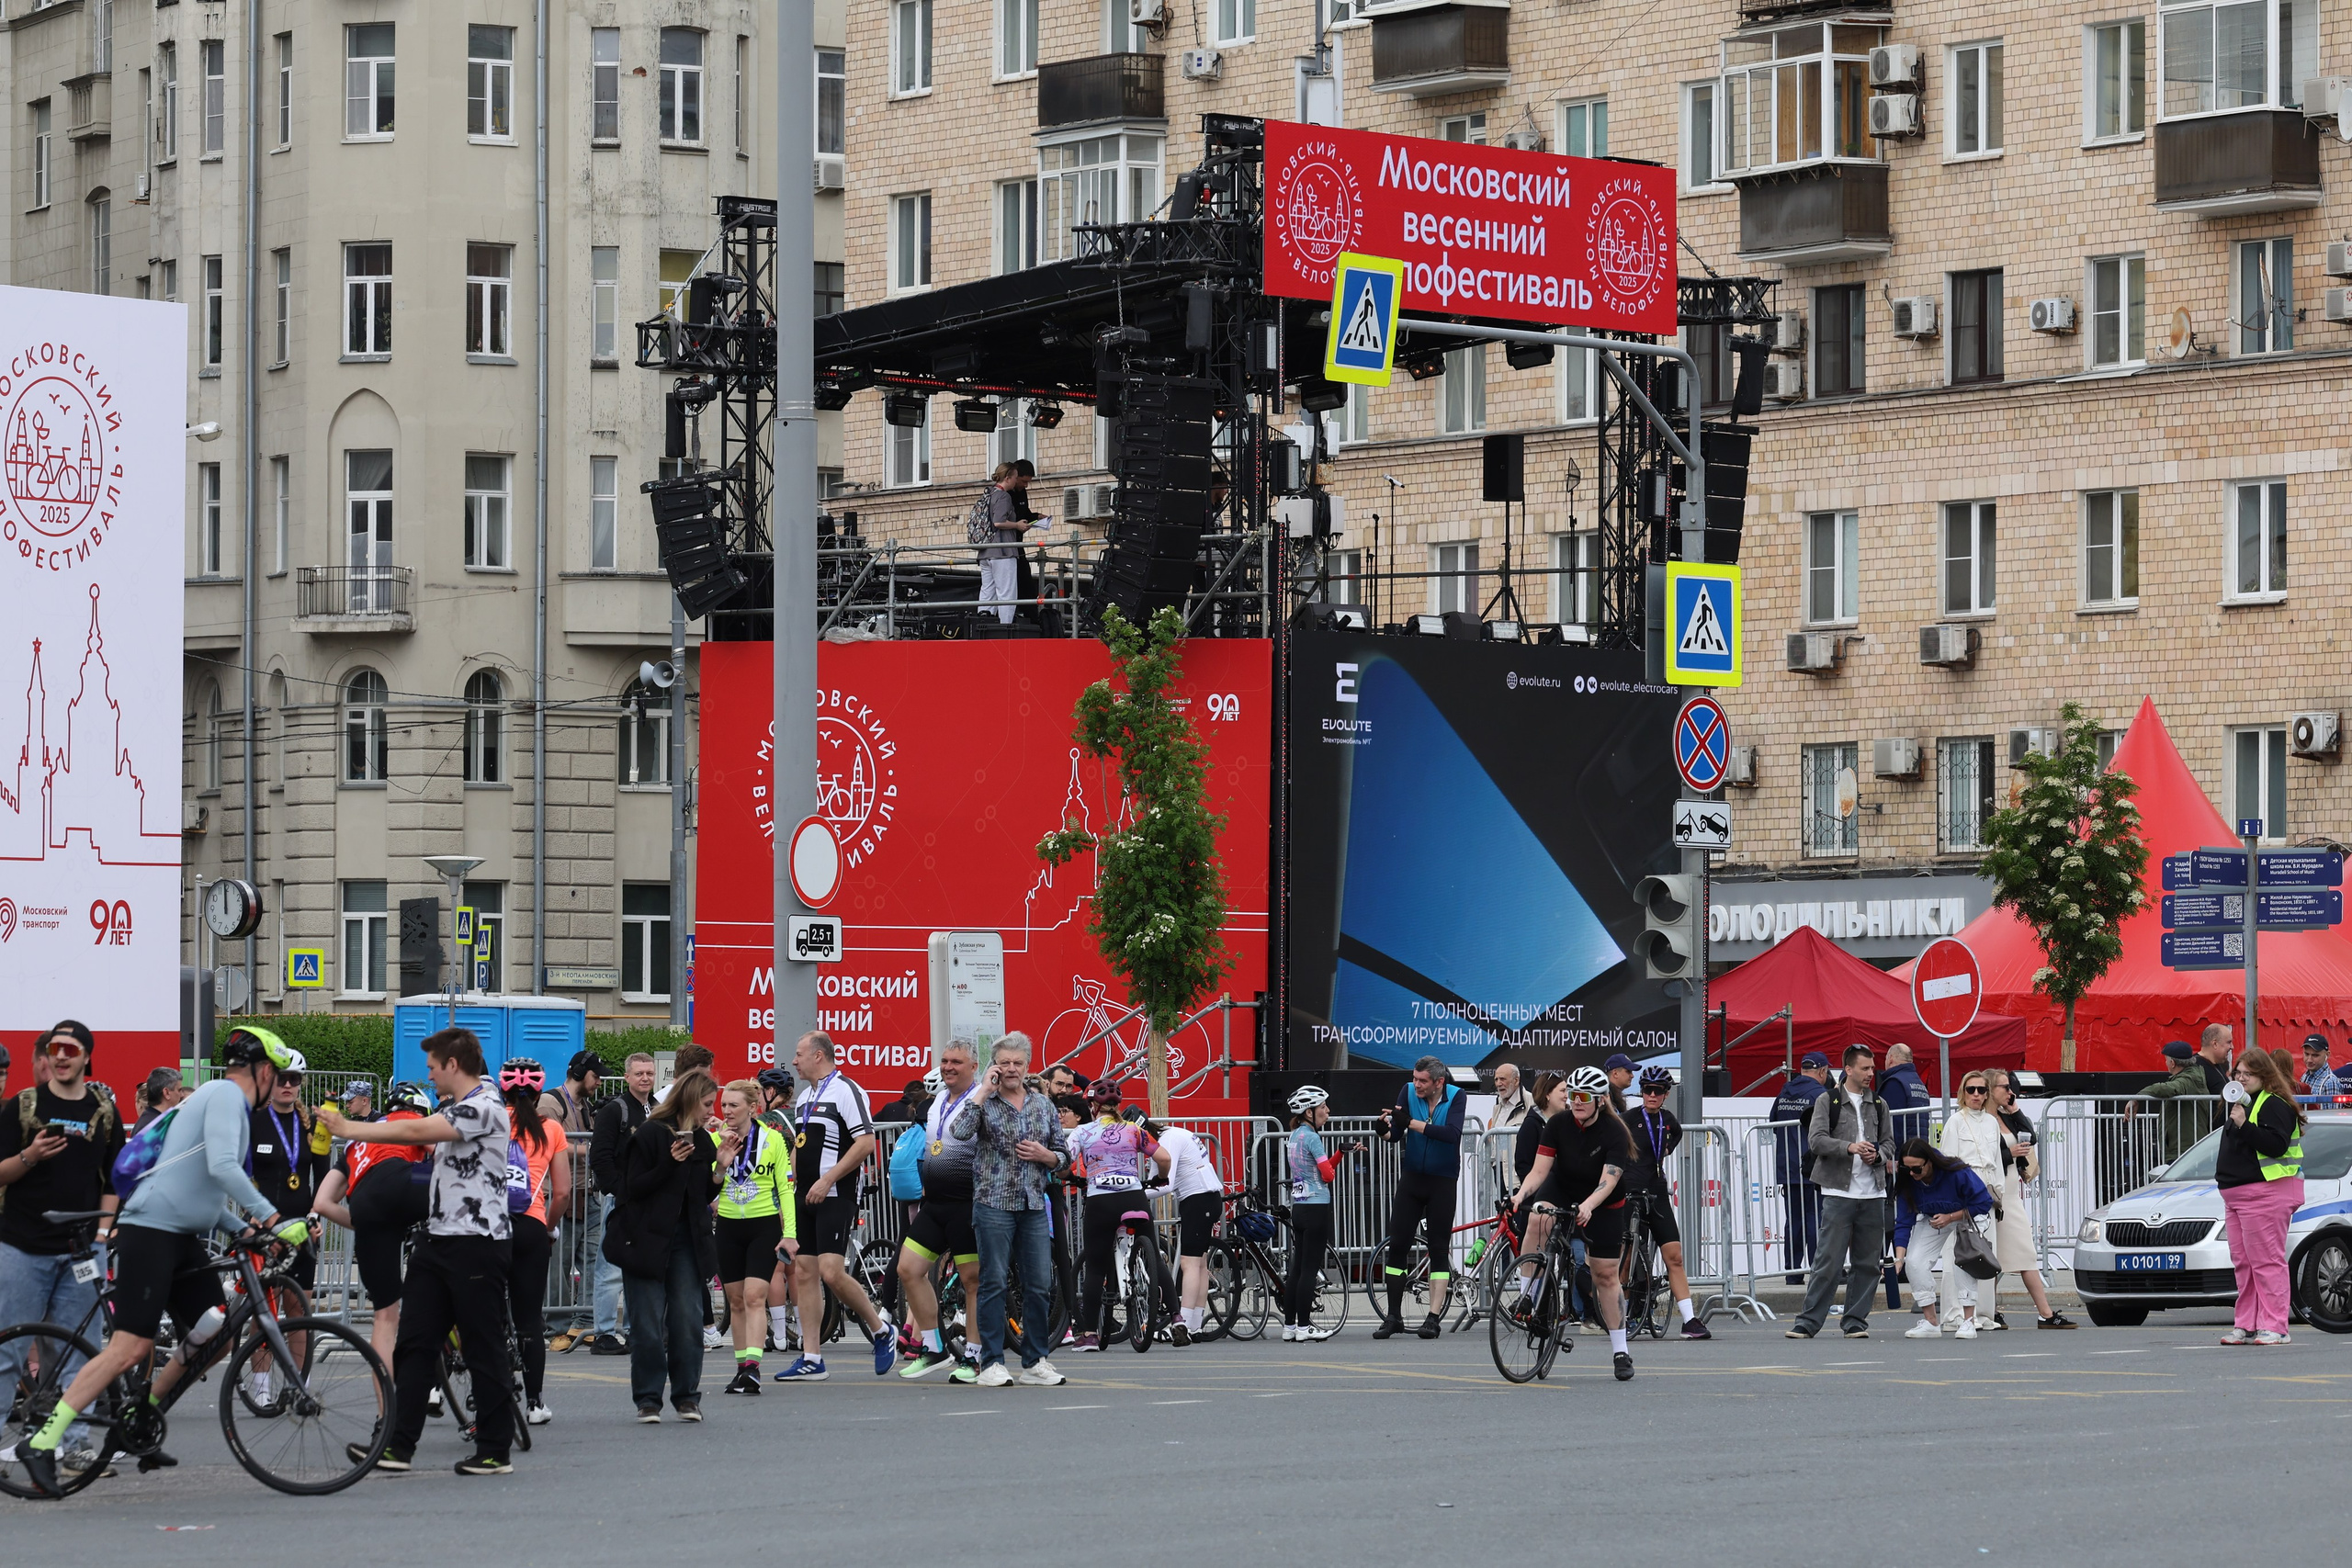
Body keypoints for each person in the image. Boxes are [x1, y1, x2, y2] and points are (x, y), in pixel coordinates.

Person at [17, 1026, 309, 1495]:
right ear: (265, 1070)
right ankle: (44, 1439)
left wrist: (250, 1232)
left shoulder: (223, 1103)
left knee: (213, 1331)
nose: (279, 1087)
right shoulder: (222, 1094)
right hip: (150, 1229)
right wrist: (274, 1218)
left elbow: (205, 1195)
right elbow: (222, 1169)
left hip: (181, 1233)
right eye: (277, 1077)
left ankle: (139, 1415)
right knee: (130, 1347)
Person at [321, 1027, 515, 1476]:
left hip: (478, 1243)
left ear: (453, 1064)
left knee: (482, 1346)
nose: (428, 1076)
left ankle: (494, 1449)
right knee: (414, 1344)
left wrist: (349, 1129)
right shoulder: (456, 1107)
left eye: (432, 1067)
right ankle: (395, 1444)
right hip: (438, 1239)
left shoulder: (485, 1106)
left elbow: (412, 1129)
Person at [0, 1021, 126, 1475]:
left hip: (80, 1254)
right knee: (8, 1351)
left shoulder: (104, 1110)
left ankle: (73, 1447)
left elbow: (116, 1178)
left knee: (78, 1352)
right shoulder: (22, 1106)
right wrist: (30, 1156)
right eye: (54, 1048)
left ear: (87, 1056)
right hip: (21, 1248)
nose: (61, 1056)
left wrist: (100, 1235)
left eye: (71, 1049)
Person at [598, 1067, 720, 1418]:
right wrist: (669, 1162)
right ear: (690, 1099)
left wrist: (720, 1168)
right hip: (646, 1240)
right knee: (648, 1324)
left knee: (687, 1320)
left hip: (686, 1242)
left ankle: (687, 1396)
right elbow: (633, 1187)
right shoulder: (651, 1134)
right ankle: (648, 1398)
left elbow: (703, 1194)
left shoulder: (702, 1138)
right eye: (707, 1104)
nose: (712, 1112)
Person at [951, 1033, 1072, 1385]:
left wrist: (1048, 1157)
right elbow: (959, 1132)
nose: (1011, 1069)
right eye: (1004, 1062)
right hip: (993, 1204)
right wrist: (982, 1091)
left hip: (1034, 1203)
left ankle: (1034, 1361)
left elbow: (1064, 1155)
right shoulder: (984, 1102)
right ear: (994, 1066)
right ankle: (990, 1363)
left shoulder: (1043, 1105)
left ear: (1028, 1066)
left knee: (1039, 1285)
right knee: (993, 1283)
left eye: (1018, 1063)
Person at [774, 1030, 895, 1381]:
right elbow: (800, 1145)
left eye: (798, 1054)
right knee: (806, 1273)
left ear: (819, 1055)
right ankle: (812, 1357)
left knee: (831, 1271)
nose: (793, 1061)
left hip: (836, 1194)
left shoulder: (846, 1090)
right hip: (804, 1198)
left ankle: (880, 1330)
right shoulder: (807, 1095)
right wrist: (790, 1192)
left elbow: (866, 1142)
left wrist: (827, 1180)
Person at [1506, 1066, 1640, 1382]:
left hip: (1604, 1201)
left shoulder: (1615, 1132)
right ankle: (1528, 1297)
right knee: (1537, 1218)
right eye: (1571, 1096)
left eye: (1583, 1097)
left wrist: (1589, 1206)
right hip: (1563, 1186)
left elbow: (1608, 1181)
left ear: (1601, 1101)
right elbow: (1539, 1172)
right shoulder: (1557, 1124)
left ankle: (1620, 1350)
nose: (1575, 1102)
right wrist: (1520, 1195)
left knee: (1605, 1275)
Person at [311, 1081, 434, 1366]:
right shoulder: (409, 1118)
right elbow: (443, 1154)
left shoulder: (356, 1141)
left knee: (385, 1314)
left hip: (364, 1204)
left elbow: (323, 1203)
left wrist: (367, 1224)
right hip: (401, 1178)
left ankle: (386, 1408)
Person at [1786, 1044, 1900, 1341]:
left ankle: (1855, 1322)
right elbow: (1816, 1141)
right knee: (1828, 1260)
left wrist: (1878, 1155)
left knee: (1867, 1263)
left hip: (1873, 1193)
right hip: (1838, 1191)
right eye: (1865, 1069)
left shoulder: (1880, 1104)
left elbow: (1889, 1144)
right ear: (1848, 1069)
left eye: (1873, 1069)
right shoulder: (1828, 1100)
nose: (1870, 1074)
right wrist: (1849, 1148)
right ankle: (1808, 1322)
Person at [1067, 1078, 1174, 1352]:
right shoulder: (1134, 1131)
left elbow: (1064, 1162)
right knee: (1154, 1259)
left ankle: (1090, 1334)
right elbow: (1164, 1159)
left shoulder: (1082, 1132)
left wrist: (1067, 1176)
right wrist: (1161, 1179)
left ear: (1092, 1105)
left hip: (1101, 1201)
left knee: (1095, 1267)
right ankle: (1177, 1316)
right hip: (1133, 1196)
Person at [896, 1041, 982, 1379]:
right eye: (944, 1061)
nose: (948, 1067)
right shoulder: (934, 1105)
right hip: (935, 1203)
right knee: (908, 1269)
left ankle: (973, 1357)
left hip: (968, 1203)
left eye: (956, 1062)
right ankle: (933, 1348)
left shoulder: (981, 1102)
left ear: (974, 1066)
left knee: (971, 1282)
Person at [493, 1060, 570, 1425]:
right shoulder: (551, 1128)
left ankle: (486, 1393)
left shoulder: (489, 1121)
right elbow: (563, 1193)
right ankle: (536, 1403)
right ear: (539, 1092)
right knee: (529, 1321)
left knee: (486, 1315)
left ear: (501, 1090)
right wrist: (549, 1229)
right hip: (530, 1226)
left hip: (488, 1228)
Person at [1372, 1055, 1467, 1339]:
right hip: (1412, 1179)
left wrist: (1410, 1122)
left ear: (1439, 1082)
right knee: (1398, 1244)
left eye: (1422, 1081)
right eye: (1414, 1079)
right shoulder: (1407, 1091)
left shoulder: (1456, 1096)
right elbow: (1397, 1132)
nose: (1416, 1085)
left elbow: (1451, 1135)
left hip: (1442, 1181)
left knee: (1438, 1248)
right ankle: (1393, 1317)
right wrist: (1384, 1133)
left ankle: (1433, 1317)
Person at [710, 1077, 796, 1393]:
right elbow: (712, 1183)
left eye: (734, 1105)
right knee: (735, 1301)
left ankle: (754, 1367)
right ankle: (740, 1367)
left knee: (754, 1296)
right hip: (729, 1226)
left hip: (764, 1225)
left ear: (752, 1107)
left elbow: (786, 1189)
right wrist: (720, 1166)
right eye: (724, 1106)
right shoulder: (713, 1138)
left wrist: (790, 1234)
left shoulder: (773, 1140)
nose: (727, 1111)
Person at [2217, 1046, 2305, 1345]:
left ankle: (2276, 1326)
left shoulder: (2274, 1104)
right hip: (2236, 1194)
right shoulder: (2242, 1104)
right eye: (2237, 1074)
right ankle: (2247, 1323)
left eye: (2248, 1074)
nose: (2241, 1079)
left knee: (2266, 1261)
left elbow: (2276, 1146)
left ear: (2264, 1075)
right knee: (2243, 1263)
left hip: (2265, 1192)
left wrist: (2244, 1125)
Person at [1984, 1069, 2072, 1329]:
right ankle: (1990, 1310)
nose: (2010, 1091)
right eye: (2004, 1087)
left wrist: (2014, 1107)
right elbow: (1981, 1159)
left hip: (2010, 1194)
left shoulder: (2004, 1115)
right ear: (1989, 1089)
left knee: (2023, 1254)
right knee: (1993, 1258)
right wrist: (2009, 1153)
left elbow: (2030, 1136)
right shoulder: (1980, 1121)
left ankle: (2043, 1313)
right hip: (1992, 1194)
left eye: (2010, 1087)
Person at [1628, 1066, 1711, 1339]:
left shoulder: (1668, 1119)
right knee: (1626, 1258)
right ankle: (1624, 1314)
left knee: (1674, 1256)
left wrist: (1666, 1149)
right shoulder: (1626, 1119)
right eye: (1646, 1090)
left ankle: (1689, 1320)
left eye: (1658, 1091)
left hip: (1656, 1191)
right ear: (1641, 1092)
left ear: (1665, 1094)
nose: (1651, 1095)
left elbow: (1676, 1134)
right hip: (1629, 1193)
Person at [583, 1051, 659, 1356]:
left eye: (650, 1074)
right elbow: (599, 1155)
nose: (645, 1078)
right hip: (619, 1199)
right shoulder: (615, 1111)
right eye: (639, 1073)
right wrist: (615, 1188)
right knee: (610, 1265)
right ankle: (603, 1332)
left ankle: (633, 1328)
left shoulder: (656, 1108)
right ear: (627, 1077)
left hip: (647, 1200)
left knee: (639, 1265)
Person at [1893, 1139, 1998, 1338]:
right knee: (1914, 1262)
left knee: (1964, 1258)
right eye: (1907, 1169)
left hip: (1969, 1215)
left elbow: (1984, 1203)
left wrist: (1951, 1217)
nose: (1913, 1174)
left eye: (1917, 1169)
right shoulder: (1908, 1180)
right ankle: (1931, 1323)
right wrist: (1899, 1259)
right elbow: (1904, 1221)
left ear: (1930, 1162)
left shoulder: (1956, 1172)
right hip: (1934, 1217)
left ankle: (1968, 1321)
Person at [247, 1045, 326, 1294]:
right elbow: (236, 1173)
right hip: (263, 1227)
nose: (288, 1085)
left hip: (302, 1228)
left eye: (294, 1079)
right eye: (282, 1079)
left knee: (300, 1313)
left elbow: (324, 1177)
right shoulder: (253, 1121)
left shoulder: (314, 1124)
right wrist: (250, 1211)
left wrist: (315, 1216)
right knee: (262, 1311)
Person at [544, 1050, 607, 1355]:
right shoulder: (550, 1102)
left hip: (589, 1196)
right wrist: (591, 1150)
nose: (599, 1082)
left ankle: (584, 1322)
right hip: (560, 1194)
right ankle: (558, 1327)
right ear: (581, 1074)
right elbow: (549, 1144)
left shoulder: (587, 1106)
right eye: (596, 1076)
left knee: (596, 1263)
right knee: (559, 1268)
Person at [1152, 1112, 1224, 1345]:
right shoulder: (1173, 1133)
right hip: (1207, 1198)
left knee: (1189, 1264)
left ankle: (1181, 1324)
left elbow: (1165, 1184)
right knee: (1200, 1264)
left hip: (1198, 1199)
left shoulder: (1167, 1141)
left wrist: (1132, 1195)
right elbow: (1157, 1179)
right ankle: (1194, 1326)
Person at [1281, 1086, 1344, 1342]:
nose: (1327, 1111)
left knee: (1296, 1269)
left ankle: (1290, 1326)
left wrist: (1340, 1153)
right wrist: (1333, 1168)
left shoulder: (1295, 1135)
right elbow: (1327, 1174)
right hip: (1317, 1206)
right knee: (1309, 1270)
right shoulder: (1313, 1138)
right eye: (1323, 1107)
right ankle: (1305, 1327)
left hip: (1299, 1207)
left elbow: (1318, 1167)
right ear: (1309, 1111)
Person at [1770, 1053, 1831, 1281]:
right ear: (1823, 1071)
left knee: (1794, 1221)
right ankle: (1819, 1272)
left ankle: (1792, 1273)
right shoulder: (1820, 1095)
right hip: (1813, 1167)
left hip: (1788, 1169)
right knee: (1817, 1219)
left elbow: (1775, 1125)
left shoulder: (1784, 1092)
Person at [974, 460, 1043, 625]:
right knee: (1007, 593)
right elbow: (999, 522)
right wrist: (1017, 525)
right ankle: (1006, 628)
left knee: (987, 591)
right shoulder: (1004, 496)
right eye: (1017, 478)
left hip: (986, 551)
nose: (1020, 482)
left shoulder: (988, 493)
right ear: (1009, 478)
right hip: (1003, 551)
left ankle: (984, 624)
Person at [2142, 1039, 2216, 1164]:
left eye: (2166, 1060)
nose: (2166, 1063)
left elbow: (2169, 1088)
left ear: (2172, 1063)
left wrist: (2139, 1096)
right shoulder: (2193, 1076)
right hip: (2188, 1148)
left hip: (2184, 1151)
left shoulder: (2187, 1079)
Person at [1881, 1043, 1930, 1142]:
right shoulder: (1919, 1083)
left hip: (1901, 1152)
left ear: (1890, 1058)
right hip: (1919, 1148)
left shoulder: (1894, 1083)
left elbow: (1891, 1123)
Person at [133, 1067, 183, 1134]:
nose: (182, 1095)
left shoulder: (151, 1121)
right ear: (166, 1093)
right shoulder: (153, 1127)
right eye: (179, 1090)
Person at [1487, 1063, 1532, 1131]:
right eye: (1496, 1079)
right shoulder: (1498, 1104)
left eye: (1502, 1079)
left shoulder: (1531, 1102)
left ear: (1516, 1080)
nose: (1498, 1084)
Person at [2297, 1034, 2342, 1098]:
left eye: (2315, 1055)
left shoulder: (2330, 1083)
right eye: (2306, 1054)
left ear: (2327, 1054)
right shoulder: (2305, 1076)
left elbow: (2332, 1108)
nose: (2309, 1060)